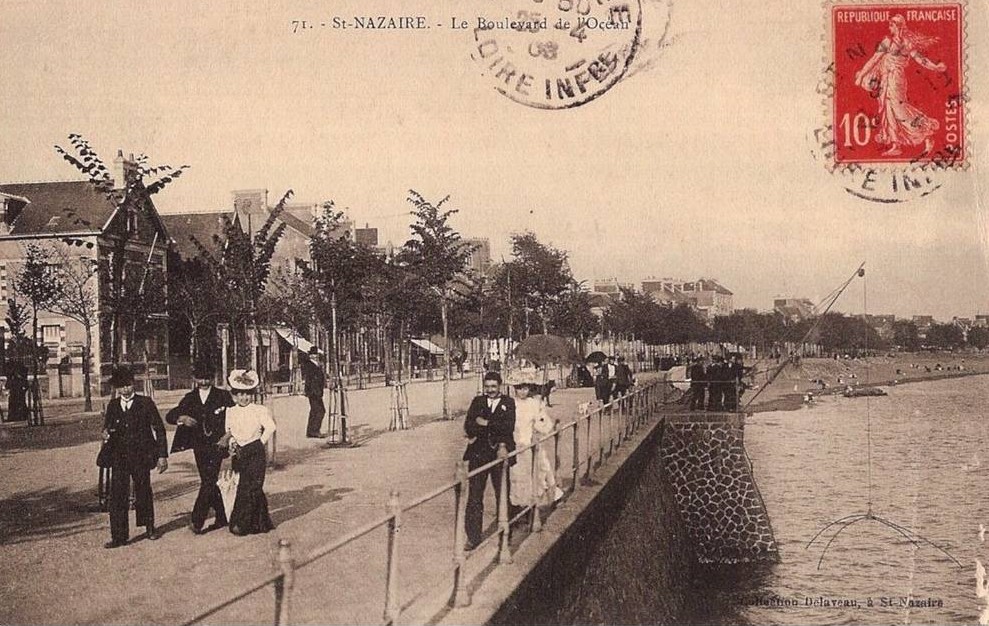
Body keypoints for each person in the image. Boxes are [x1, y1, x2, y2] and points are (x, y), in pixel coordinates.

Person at [854, 15, 947, 157]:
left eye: (891, 25)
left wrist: (935, 67)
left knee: (899, 110)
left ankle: (926, 134)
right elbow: (874, 60)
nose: (889, 28)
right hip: (885, 79)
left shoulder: (907, 43)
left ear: (898, 26)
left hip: (897, 80)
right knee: (888, 109)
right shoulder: (887, 41)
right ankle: (895, 144)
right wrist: (861, 75)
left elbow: (920, 59)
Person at [101, 366, 168, 548]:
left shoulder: (146, 403)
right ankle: (119, 536)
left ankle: (149, 528)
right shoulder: (113, 406)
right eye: (121, 386)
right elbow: (107, 428)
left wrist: (162, 455)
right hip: (120, 457)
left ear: (133, 384)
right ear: (117, 388)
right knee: (117, 495)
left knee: (143, 491)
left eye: (128, 385)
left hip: (142, 456)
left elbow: (159, 430)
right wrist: (106, 433)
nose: (126, 390)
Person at [166, 360, 234, 534]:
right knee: (209, 481)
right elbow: (170, 415)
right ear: (195, 378)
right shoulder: (190, 398)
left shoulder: (223, 396)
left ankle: (197, 520)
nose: (204, 382)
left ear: (213, 377)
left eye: (207, 378)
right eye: (200, 378)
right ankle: (222, 516)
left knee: (208, 480)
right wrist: (183, 418)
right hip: (199, 446)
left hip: (218, 444)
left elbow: (235, 416)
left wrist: (228, 437)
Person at [463, 371, 516, 549]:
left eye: (494, 386)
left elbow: (508, 427)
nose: (490, 390)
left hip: (500, 452)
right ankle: (473, 536)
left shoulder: (508, 402)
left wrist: (485, 423)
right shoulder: (477, 402)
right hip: (478, 454)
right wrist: (486, 425)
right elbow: (469, 425)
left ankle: (505, 532)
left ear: (499, 386)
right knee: (475, 496)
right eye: (487, 387)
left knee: (502, 493)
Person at [219, 369, 275, 536]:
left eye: (247, 394)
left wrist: (259, 443)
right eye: (240, 394)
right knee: (243, 486)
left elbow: (271, 427)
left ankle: (243, 524)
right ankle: (258, 522)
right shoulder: (231, 411)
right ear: (235, 395)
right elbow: (229, 431)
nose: (244, 398)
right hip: (239, 452)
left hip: (255, 451)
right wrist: (232, 443)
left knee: (253, 486)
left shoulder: (259, 410)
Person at [509, 379, 562, 516]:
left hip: (530, 443)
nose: (522, 391)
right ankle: (519, 507)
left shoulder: (534, 403)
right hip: (515, 443)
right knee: (517, 476)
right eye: (519, 388)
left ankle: (536, 505)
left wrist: (541, 422)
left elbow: (542, 423)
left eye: (525, 388)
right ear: (515, 388)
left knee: (539, 471)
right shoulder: (510, 404)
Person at [301, 347, 326, 438]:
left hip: (316, 391)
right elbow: (309, 379)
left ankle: (311, 431)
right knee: (320, 411)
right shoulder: (310, 365)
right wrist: (308, 391)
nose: (316, 356)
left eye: (316, 354)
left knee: (314, 411)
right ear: (311, 356)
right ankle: (314, 431)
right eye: (314, 354)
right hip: (314, 392)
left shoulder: (316, 365)